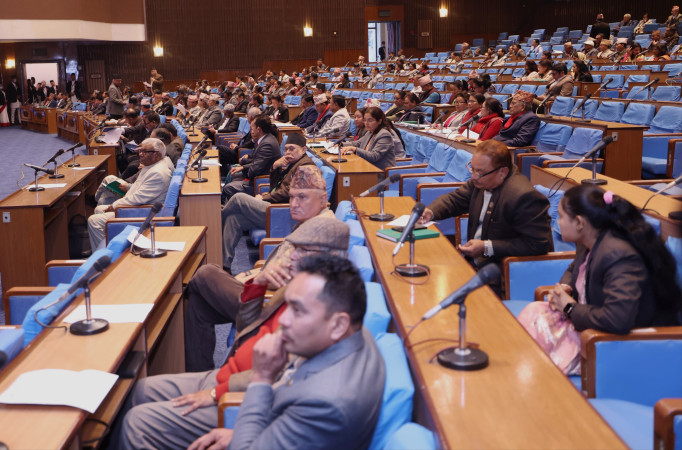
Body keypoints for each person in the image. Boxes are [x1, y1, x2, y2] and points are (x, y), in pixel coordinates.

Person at [518, 185, 682, 374]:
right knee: (532, 317)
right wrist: (565, 287)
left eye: (561, 217)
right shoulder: (591, 240)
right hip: (592, 328)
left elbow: (617, 320)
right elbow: (574, 269)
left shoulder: (618, 256)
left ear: (579, 222)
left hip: (619, 346)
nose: (557, 221)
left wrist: (569, 307)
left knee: (530, 358)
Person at [186, 171, 335, 372]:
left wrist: (253, 279)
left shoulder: (323, 231)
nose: (294, 204)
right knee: (199, 304)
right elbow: (278, 268)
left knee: (206, 273)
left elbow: (283, 278)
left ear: (323, 199)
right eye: (292, 197)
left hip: (271, 306)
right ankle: (199, 374)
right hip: (263, 291)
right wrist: (253, 274)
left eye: (302, 197)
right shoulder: (309, 222)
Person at [419, 140, 553, 295]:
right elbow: (455, 200)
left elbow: (538, 245)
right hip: (475, 265)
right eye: (472, 168)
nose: (473, 176)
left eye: (479, 172)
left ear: (502, 172)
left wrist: (487, 247)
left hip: (503, 277)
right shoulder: (482, 181)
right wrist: (431, 211)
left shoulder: (524, 197)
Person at [221, 138, 316, 271]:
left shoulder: (306, 167)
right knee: (234, 219)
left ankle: (217, 220)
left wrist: (265, 197)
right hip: (275, 209)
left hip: (285, 215)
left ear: (304, 150)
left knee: (238, 198)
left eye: (292, 148)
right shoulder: (294, 163)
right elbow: (276, 187)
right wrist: (275, 167)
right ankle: (225, 265)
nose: (288, 152)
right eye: (286, 149)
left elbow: (288, 192)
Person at [88, 138, 172, 249]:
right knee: (99, 209)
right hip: (139, 206)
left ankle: (107, 255)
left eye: (145, 152)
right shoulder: (153, 165)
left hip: (143, 213)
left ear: (158, 154)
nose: (140, 154)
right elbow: (141, 189)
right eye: (140, 150)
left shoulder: (158, 173)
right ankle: (109, 244)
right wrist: (126, 190)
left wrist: (114, 206)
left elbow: (137, 198)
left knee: (94, 221)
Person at [222, 115, 280, 202]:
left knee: (229, 188)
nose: (251, 131)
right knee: (234, 175)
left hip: (261, 181)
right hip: (259, 176)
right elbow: (256, 161)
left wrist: (244, 168)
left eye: (252, 128)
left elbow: (254, 170)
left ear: (258, 129)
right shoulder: (266, 139)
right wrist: (242, 167)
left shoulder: (267, 144)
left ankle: (240, 208)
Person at [218, 107, 260, 177]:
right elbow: (244, 140)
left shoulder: (255, 129)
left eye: (247, 116)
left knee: (220, 148)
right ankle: (224, 175)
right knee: (221, 156)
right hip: (239, 149)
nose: (247, 117)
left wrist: (237, 147)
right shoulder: (252, 127)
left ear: (250, 117)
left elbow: (249, 144)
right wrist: (236, 144)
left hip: (241, 153)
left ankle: (224, 175)